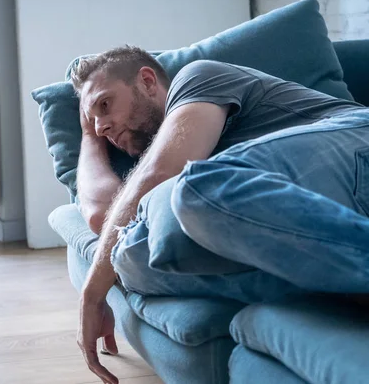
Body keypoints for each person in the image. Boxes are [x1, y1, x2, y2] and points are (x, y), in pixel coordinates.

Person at [70, 45, 369, 384]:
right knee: (130, 259)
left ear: (148, 81)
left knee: (196, 188)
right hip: (317, 218)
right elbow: (103, 217)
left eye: (105, 105)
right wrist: (89, 137)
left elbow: (159, 174)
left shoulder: (197, 77)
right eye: (93, 120)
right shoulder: (134, 157)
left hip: (356, 148)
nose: (102, 126)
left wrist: (92, 293)